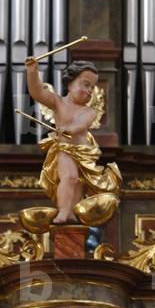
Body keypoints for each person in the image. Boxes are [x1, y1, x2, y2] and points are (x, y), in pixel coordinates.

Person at [24, 57, 121, 226]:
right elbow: (36, 91)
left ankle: (72, 211)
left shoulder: (89, 111)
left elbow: (81, 124)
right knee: (69, 177)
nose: (89, 90)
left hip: (84, 152)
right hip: (65, 148)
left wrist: (68, 129)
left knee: (78, 183)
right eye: (85, 84)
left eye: (92, 87)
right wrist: (32, 71)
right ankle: (63, 210)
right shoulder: (58, 102)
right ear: (70, 83)